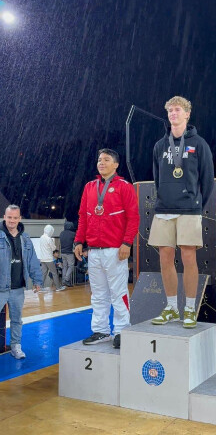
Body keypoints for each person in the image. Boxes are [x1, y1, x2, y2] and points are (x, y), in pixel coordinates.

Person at [149, 96, 214, 329]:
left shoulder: (199, 144)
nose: (173, 114)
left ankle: (189, 308)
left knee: (188, 258)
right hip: (164, 209)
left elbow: (207, 181)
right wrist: (165, 197)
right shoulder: (159, 145)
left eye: (178, 110)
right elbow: (157, 180)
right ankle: (171, 307)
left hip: (189, 209)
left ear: (187, 114)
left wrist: (196, 204)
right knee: (165, 258)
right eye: (170, 111)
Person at [74, 148, 140, 349]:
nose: (101, 163)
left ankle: (121, 329)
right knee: (98, 294)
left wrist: (127, 243)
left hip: (115, 250)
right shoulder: (89, 187)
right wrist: (78, 241)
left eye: (106, 159)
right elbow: (83, 217)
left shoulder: (124, 187)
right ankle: (101, 330)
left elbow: (134, 217)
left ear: (116, 164)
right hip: (93, 251)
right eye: (99, 159)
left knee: (118, 292)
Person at [0, 205, 43, 359]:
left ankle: (16, 347)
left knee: (17, 320)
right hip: (0, 288)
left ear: (20, 218)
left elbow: (32, 261)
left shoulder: (25, 238)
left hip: (18, 288)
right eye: (9, 217)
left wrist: (37, 280)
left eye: (15, 218)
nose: (12, 220)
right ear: (4, 217)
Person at [38, 224, 64, 292]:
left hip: (42, 259)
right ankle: (58, 287)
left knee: (43, 273)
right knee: (54, 273)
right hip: (49, 259)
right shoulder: (48, 239)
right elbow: (53, 248)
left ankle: (40, 287)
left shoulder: (41, 237)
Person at [59, 221, 77, 287]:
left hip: (63, 252)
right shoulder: (73, 234)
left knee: (65, 266)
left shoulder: (61, 233)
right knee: (71, 266)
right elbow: (75, 243)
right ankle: (66, 279)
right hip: (69, 253)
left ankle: (64, 280)